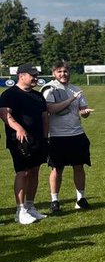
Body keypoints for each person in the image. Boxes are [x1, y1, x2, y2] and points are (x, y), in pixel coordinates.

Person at [0, 63, 49, 225]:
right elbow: (4, 114)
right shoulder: (10, 94)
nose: (36, 78)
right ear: (21, 76)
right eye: (32, 75)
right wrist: (19, 128)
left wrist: (45, 137)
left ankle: (30, 206)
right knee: (23, 173)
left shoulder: (37, 96)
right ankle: (20, 210)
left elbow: (44, 117)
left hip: (38, 140)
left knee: (35, 171)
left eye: (36, 75)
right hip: (19, 141)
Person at [42, 62, 93, 212]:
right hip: (57, 136)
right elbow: (51, 109)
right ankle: (55, 201)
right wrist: (71, 99)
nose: (63, 74)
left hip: (77, 134)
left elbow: (83, 110)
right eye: (59, 71)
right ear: (53, 74)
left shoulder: (75, 89)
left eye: (65, 71)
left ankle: (81, 199)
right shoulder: (49, 89)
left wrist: (85, 112)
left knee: (79, 167)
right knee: (57, 169)